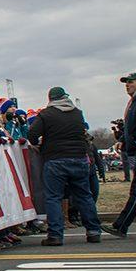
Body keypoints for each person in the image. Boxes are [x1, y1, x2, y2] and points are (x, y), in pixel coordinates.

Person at [28, 86, 101, 246]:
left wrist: (37, 145)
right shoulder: (77, 113)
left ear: (51, 99)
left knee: (54, 197)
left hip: (55, 158)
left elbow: (32, 133)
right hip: (79, 157)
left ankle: (55, 235)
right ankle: (93, 231)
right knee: (84, 195)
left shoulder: (46, 114)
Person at [103, 72, 136, 238]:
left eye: (131, 82)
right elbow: (132, 126)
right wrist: (123, 139)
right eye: (126, 83)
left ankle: (121, 225)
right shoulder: (135, 101)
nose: (127, 85)